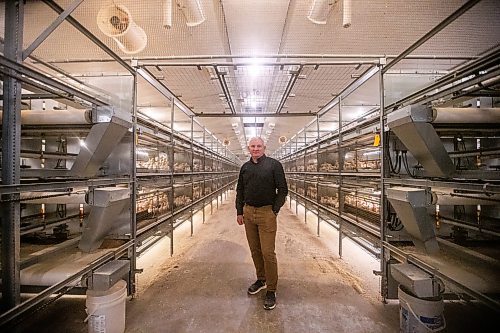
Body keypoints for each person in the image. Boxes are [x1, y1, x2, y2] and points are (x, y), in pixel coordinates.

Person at [235, 137, 288, 310]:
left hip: (267, 213)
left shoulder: (274, 165)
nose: (256, 148)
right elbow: (240, 190)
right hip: (249, 212)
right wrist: (239, 211)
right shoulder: (245, 167)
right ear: (248, 148)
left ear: (264, 147)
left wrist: (275, 209)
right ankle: (262, 279)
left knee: (268, 252)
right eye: (253, 146)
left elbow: (283, 189)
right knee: (255, 250)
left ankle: (271, 289)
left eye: (259, 146)